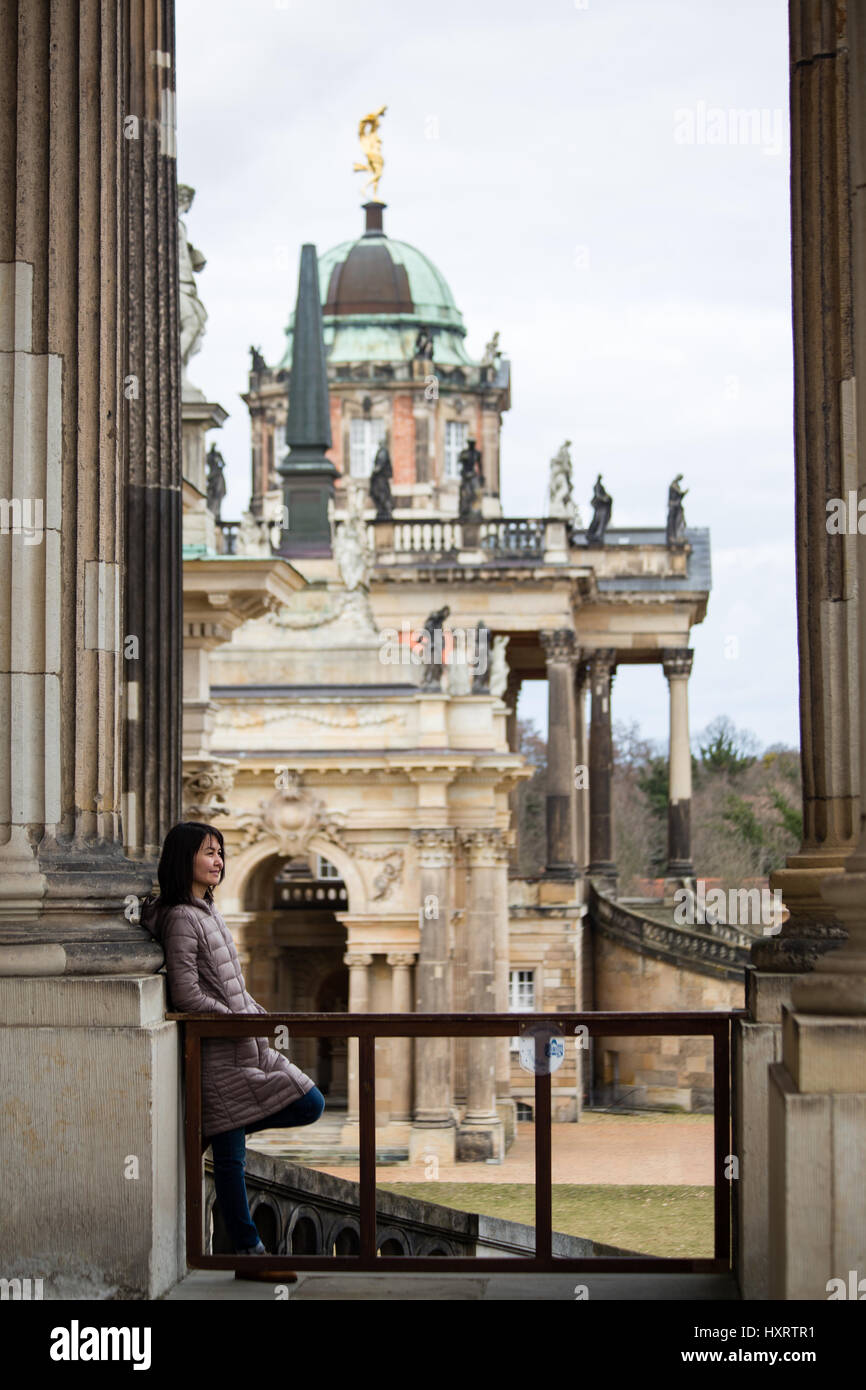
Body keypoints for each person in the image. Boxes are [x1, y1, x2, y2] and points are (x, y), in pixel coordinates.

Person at [140, 822, 324, 1276]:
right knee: (296, 1111)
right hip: (221, 1054)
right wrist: (238, 1020)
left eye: (220, 852)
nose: (218, 860)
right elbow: (186, 995)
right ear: (185, 859)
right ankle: (249, 1254)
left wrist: (256, 1014)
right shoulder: (184, 916)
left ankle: (247, 1253)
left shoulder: (207, 909)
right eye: (208, 852)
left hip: (242, 1046)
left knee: (236, 1147)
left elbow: (229, 986)